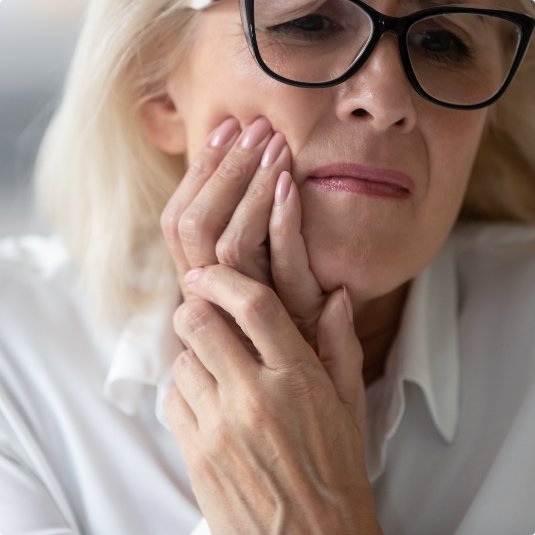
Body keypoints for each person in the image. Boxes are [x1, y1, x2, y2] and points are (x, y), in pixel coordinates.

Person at [1, 0, 535, 533]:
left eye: (442, 41)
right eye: (310, 23)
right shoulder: (18, 358)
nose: (384, 98)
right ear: (156, 86)